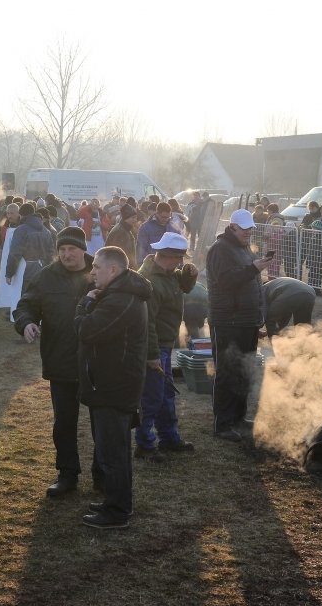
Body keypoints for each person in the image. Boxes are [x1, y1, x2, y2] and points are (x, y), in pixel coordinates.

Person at [13, 226, 95, 496]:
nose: (66, 254)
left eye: (72, 249)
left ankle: (103, 472)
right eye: (62, 250)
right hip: (60, 359)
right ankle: (67, 473)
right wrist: (26, 323)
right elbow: (25, 305)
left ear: (83, 249)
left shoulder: (100, 272)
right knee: (64, 422)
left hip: (98, 361)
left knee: (102, 422)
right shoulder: (46, 276)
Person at [76, 246, 151, 529]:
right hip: (109, 383)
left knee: (114, 453)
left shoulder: (122, 300)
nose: (91, 271)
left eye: (96, 267)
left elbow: (86, 331)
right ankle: (113, 500)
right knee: (110, 449)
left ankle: (117, 511)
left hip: (114, 385)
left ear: (114, 270)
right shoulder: (117, 295)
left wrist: (83, 305)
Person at [206, 209, 271, 441]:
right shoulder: (220, 249)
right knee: (227, 372)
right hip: (227, 321)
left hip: (245, 321)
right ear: (232, 227)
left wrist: (257, 317)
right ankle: (222, 424)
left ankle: (238, 417)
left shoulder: (243, 248)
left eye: (250, 228)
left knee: (244, 370)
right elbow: (226, 281)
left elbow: (254, 284)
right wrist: (254, 268)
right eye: (244, 228)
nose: (248, 232)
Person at [136, 231, 198, 459]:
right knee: (152, 397)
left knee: (165, 394)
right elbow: (146, 323)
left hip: (163, 344)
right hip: (154, 346)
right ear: (172, 256)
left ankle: (169, 438)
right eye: (181, 259)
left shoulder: (167, 273)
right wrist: (151, 355)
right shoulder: (150, 282)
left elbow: (183, 287)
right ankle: (145, 444)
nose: (183, 263)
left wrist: (189, 276)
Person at [6, 202, 55, 291]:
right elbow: (51, 253)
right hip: (42, 272)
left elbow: (15, 254)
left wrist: (9, 273)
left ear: (21, 215)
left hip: (25, 273)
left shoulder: (21, 230)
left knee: (25, 301)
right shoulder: (46, 231)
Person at [105, 204, 140, 270]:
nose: (135, 220)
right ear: (126, 218)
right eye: (133, 218)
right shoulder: (119, 232)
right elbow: (115, 255)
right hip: (119, 270)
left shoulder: (126, 229)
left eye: (136, 217)